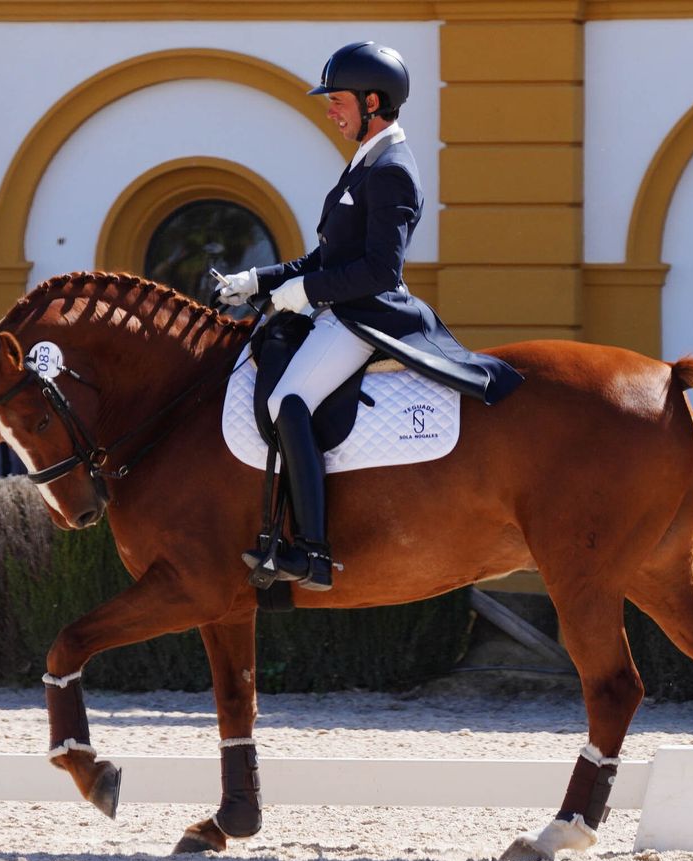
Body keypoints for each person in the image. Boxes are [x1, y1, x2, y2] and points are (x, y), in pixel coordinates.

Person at [216, 41, 520, 591]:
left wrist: (305, 290)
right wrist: (261, 280)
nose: (330, 111)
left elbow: (381, 269)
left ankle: (312, 552)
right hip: (339, 307)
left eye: (337, 101)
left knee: (290, 399)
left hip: (366, 316)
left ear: (372, 101)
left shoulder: (392, 170)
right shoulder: (365, 162)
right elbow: (328, 257)